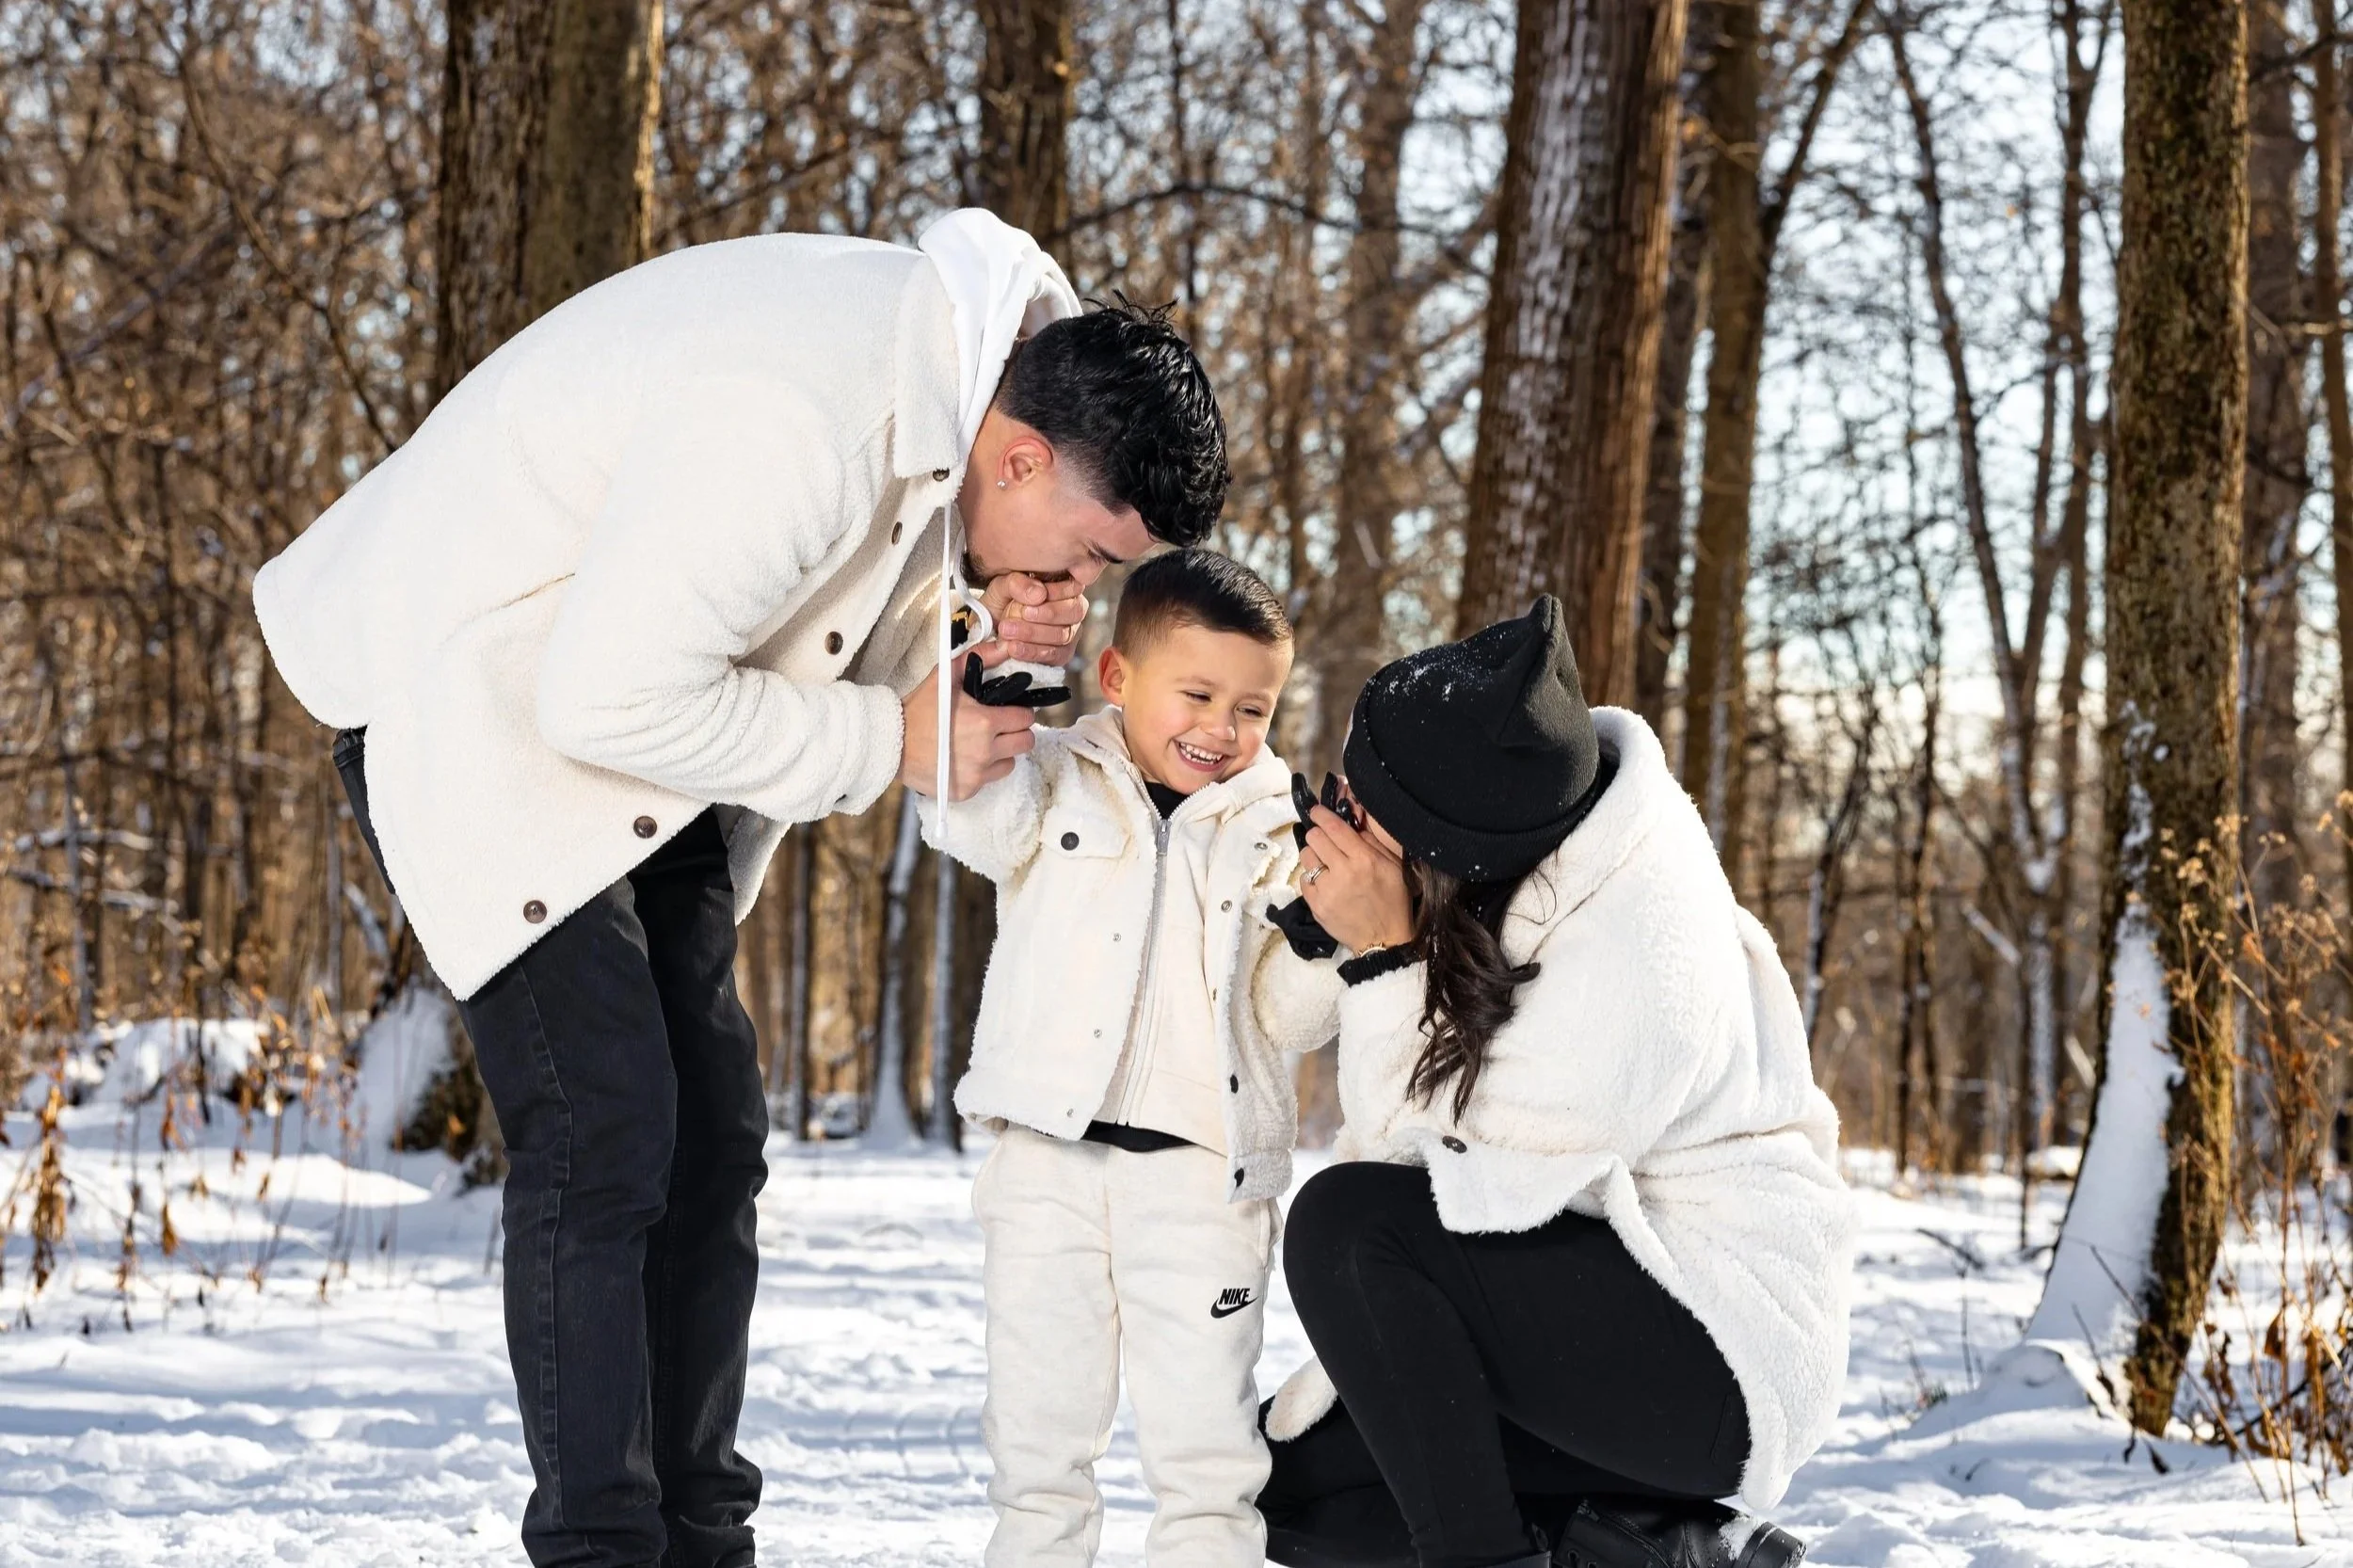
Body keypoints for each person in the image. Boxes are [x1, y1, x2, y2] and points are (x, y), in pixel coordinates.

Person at [251, 210, 1231, 1568]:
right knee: (608, 1121)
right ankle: (602, 1547)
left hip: (651, 706)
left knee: (713, 1137)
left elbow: (826, 643)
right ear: (1020, 456)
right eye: (1089, 553)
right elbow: (604, 692)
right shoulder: (803, 415)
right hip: (474, 688)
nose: (1084, 586)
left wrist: (977, 646)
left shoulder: (961, 398)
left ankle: (703, 1540)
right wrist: (893, 740)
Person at [1259, 597, 1855, 1568]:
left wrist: (1380, 956)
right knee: (1283, 1491)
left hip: (1718, 1359)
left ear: (1447, 848)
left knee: (1344, 1223)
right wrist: (1335, 923)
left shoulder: (1630, 972)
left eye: (1365, 813)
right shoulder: (1534, 833)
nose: (1340, 822)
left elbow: (1437, 1184)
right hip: (1609, 1300)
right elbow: (1278, 1015)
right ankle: (1657, 1548)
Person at [916, 551, 1343, 1568]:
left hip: (1200, 1180)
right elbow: (966, 819)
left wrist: (1333, 926)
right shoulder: (1054, 773)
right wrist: (991, 688)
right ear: (1117, 678)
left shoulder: (1279, 832)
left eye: (1253, 707)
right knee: (1038, 1442)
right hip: (1046, 1167)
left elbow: (1289, 1016)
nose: (1222, 728)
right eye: (1196, 693)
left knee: (1206, 1456)